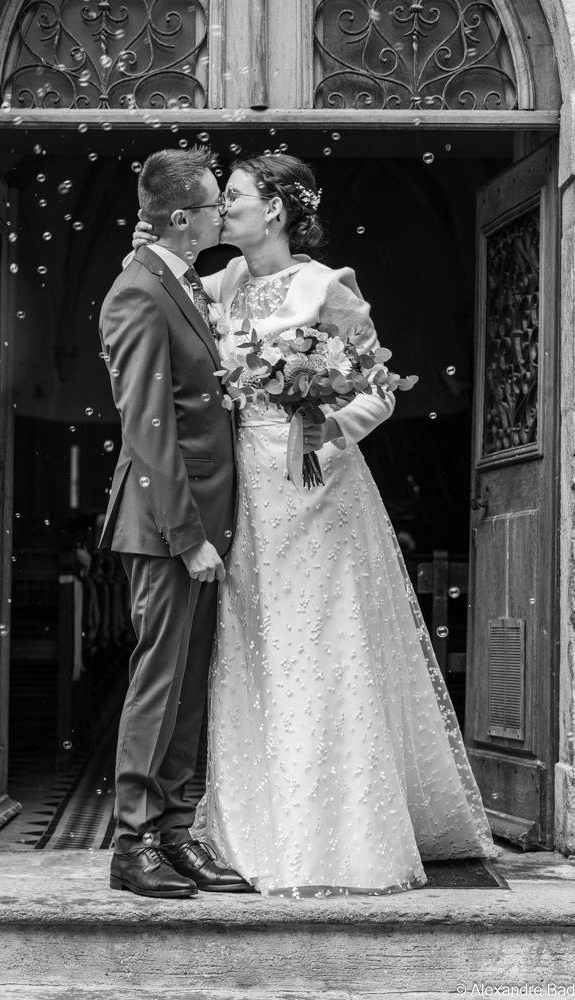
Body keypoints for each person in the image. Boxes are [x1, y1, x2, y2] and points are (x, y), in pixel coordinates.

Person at [132, 152, 497, 896]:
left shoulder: (327, 286)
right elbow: (160, 288)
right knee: (252, 648)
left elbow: (378, 391)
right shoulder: (223, 282)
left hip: (314, 487)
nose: (222, 209)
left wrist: (323, 435)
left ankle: (339, 831)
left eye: (233, 196)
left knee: (322, 642)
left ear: (274, 209)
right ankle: (251, 828)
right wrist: (145, 242)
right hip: (243, 492)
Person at [99, 147, 252, 898]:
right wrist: (187, 538)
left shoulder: (180, 279)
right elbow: (148, 425)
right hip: (166, 526)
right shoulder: (136, 291)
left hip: (205, 519)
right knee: (159, 682)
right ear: (184, 218)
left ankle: (175, 832)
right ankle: (132, 842)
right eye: (217, 203)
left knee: (189, 684)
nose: (224, 213)